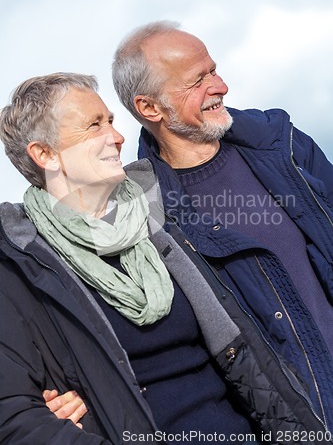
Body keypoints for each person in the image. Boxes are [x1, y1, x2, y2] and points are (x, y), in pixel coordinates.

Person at [0, 73, 329, 445]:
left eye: (110, 120)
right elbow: (15, 417)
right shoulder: (18, 263)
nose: (117, 136)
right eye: (94, 126)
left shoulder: (159, 214)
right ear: (45, 155)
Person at [112, 21, 333, 435]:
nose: (221, 86)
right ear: (150, 108)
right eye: (198, 80)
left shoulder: (280, 141)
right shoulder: (142, 216)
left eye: (213, 70)